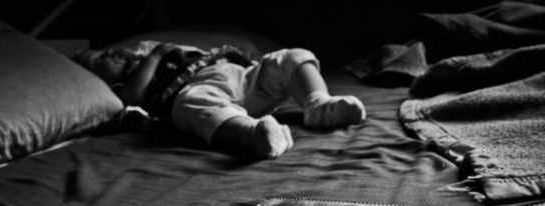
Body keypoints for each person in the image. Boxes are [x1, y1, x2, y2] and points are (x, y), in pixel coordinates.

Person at [72, 42, 366, 160]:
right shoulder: (131, 81)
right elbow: (132, 98)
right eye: (98, 59)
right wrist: (157, 55)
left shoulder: (157, 52)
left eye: (106, 50)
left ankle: (318, 104)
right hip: (203, 90)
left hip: (244, 78)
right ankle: (253, 133)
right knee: (191, 102)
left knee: (288, 57)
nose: (109, 52)